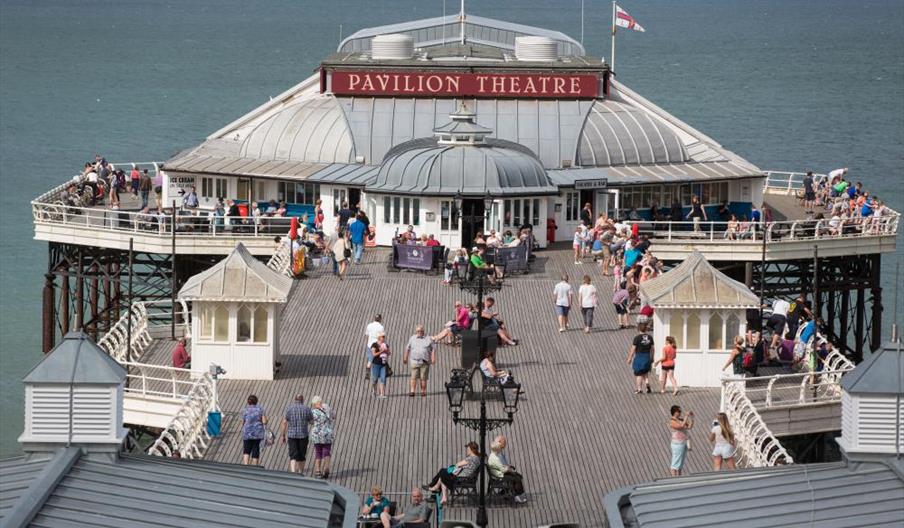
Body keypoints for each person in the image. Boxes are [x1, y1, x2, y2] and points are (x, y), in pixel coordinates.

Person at [278, 394, 313, 474]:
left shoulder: (289, 409)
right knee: (302, 454)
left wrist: (283, 435)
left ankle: (293, 472)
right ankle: (300, 472)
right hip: (303, 435)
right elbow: (311, 421)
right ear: (302, 400)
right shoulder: (306, 409)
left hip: (292, 435)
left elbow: (284, 423)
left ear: (295, 399)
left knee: (293, 454)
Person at [487, 435, 527, 503]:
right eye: (500, 448)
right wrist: (508, 468)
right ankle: (516, 495)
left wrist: (508, 468)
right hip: (500, 475)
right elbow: (502, 469)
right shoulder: (495, 458)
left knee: (517, 476)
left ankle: (511, 494)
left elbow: (501, 466)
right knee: (517, 478)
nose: (501, 449)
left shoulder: (494, 456)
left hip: (499, 473)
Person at [404, 325, 435, 398]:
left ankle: (423, 391)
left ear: (423, 331)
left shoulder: (428, 339)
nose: (419, 332)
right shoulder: (412, 338)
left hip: (424, 361)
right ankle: (412, 391)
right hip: (414, 361)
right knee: (413, 377)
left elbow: (433, 349)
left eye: (421, 331)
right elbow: (407, 348)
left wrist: (433, 358)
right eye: (418, 331)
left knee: (423, 378)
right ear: (416, 332)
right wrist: (405, 358)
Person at [310, 396, 335, 479]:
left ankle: (318, 471)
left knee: (318, 452)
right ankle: (327, 468)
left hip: (317, 434)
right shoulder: (327, 408)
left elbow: (310, 421)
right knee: (327, 452)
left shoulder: (313, 412)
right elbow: (334, 416)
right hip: (327, 433)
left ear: (315, 403)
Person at [626, 323, 655, 394]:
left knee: (638, 373)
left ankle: (639, 389)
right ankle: (647, 383)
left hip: (639, 357)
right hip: (647, 356)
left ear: (638, 329)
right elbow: (653, 349)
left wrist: (629, 358)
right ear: (646, 329)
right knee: (645, 371)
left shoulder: (637, 338)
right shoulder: (650, 337)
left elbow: (633, 349)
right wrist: (652, 357)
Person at [241, 395, 268, 466]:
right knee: (256, 449)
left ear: (248, 401)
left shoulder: (245, 410)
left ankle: (246, 465)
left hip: (247, 433)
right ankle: (254, 466)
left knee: (246, 450)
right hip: (257, 433)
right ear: (256, 401)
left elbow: (243, 422)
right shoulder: (260, 409)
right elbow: (264, 421)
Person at [668, 405, 694, 476]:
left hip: (683, 442)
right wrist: (686, 416)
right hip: (677, 443)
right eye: (678, 411)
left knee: (680, 462)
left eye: (680, 411)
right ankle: (674, 478)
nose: (680, 413)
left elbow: (689, 427)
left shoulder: (681, 419)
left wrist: (691, 417)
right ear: (674, 412)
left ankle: (679, 476)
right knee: (675, 461)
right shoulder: (672, 421)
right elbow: (680, 426)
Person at [364, 314, 384, 379]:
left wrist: (367, 343)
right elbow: (382, 337)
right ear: (380, 319)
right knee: (375, 359)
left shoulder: (369, 325)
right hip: (376, 345)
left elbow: (366, 336)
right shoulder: (381, 327)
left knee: (370, 358)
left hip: (369, 345)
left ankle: (368, 370)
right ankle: (374, 373)